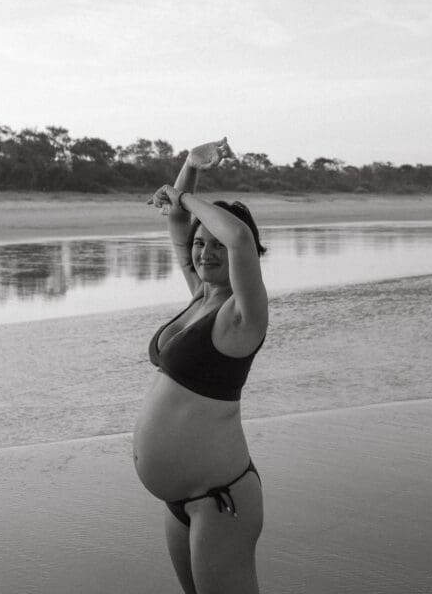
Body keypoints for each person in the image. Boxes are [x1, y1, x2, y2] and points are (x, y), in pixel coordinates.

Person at [133, 138, 269, 594]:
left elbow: (239, 237)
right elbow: (177, 222)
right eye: (198, 243)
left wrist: (187, 197)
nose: (205, 252)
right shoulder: (199, 297)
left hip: (220, 501)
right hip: (180, 500)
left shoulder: (242, 315)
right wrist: (190, 165)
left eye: (216, 246)